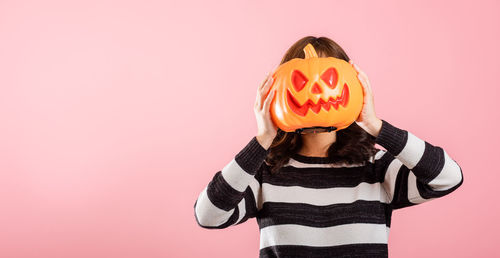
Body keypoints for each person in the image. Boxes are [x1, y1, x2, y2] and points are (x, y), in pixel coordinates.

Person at [193, 36, 464, 258]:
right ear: (278, 88)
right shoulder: (265, 173)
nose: (316, 90)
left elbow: (448, 178)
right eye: (301, 79)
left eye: (329, 77)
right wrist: (263, 138)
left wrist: (376, 125)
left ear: (353, 86)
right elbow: (209, 215)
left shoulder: (377, 168)